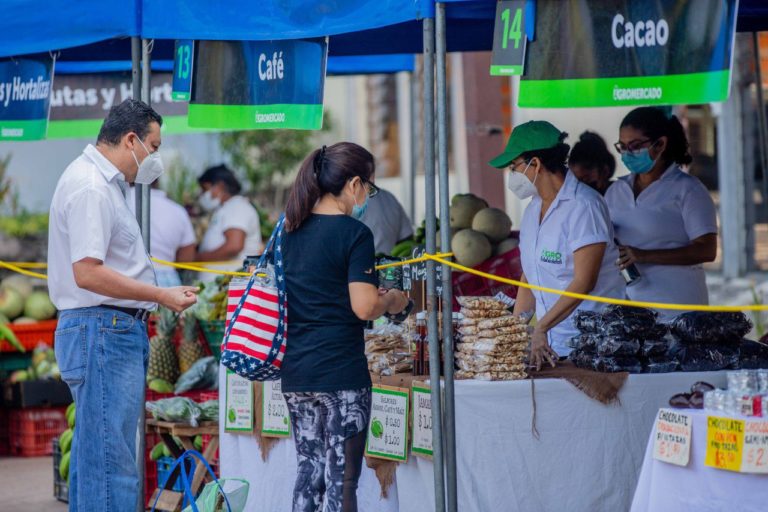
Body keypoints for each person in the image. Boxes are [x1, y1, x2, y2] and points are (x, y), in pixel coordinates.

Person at [48, 99, 198, 512]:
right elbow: (88, 272)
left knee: (97, 458)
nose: (155, 157)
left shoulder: (105, 184)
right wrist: (161, 295)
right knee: (112, 463)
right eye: (153, 145)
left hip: (105, 329)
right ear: (130, 140)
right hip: (103, 329)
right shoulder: (91, 186)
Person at [280, 142, 409, 512]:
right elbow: (365, 306)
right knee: (342, 479)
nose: (368, 194)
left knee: (308, 472)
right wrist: (394, 300)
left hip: (297, 374)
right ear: (354, 183)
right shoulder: (355, 234)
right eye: (369, 186)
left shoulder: (288, 232)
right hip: (341, 375)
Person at [489, 121, 625, 369]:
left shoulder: (584, 206)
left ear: (536, 164)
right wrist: (517, 331)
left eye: (514, 166)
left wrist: (541, 326)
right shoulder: (532, 211)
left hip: (593, 346)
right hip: (551, 346)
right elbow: (530, 277)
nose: (512, 175)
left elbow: (584, 281)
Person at [604, 107, 718, 318]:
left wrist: (643, 255)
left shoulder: (688, 189)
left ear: (660, 144)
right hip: (630, 308)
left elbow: (707, 250)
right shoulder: (615, 191)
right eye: (622, 147)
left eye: (635, 146)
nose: (628, 153)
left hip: (678, 309)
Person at [196, 164, 262, 278]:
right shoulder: (227, 208)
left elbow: (234, 246)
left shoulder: (237, 207)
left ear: (220, 186)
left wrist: (198, 258)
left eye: (205, 189)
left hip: (230, 288)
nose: (202, 195)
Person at [127, 181, 196, 286]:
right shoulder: (178, 210)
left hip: (128, 278)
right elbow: (187, 257)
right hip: (168, 281)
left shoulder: (121, 201)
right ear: (157, 181)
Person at [360, 183, 414, 255]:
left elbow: (407, 241)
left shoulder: (345, 200)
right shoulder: (389, 198)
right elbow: (407, 238)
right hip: (390, 263)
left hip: (360, 263)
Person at [567, 131, 616, 195]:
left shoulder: (622, 194)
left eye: (586, 178)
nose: (581, 186)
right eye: (577, 181)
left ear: (605, 171)